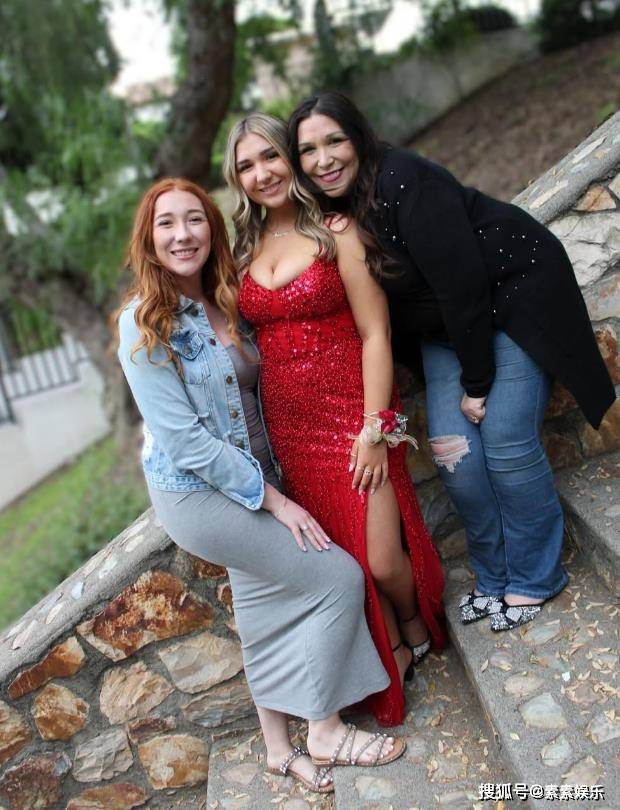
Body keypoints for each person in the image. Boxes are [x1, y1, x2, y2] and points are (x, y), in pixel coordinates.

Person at [116, 178, 409, 793]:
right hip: (200, 492)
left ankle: (277, 749)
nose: (182, 235)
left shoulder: (226, 299)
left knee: (260, 606)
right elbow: (186, 443)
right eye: (166, 224)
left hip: (254, 472)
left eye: (194, 219)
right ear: (148, 239)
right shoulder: (143, 325)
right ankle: (324, 729)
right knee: (336, 577)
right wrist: (274, 501)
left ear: (212, 229)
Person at [287, 92, 616, 632]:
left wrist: (477, 383)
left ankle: (535, 577)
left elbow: (463, 283)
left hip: (509, 301)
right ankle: (494, 576)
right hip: (445, 329)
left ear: (358, 138)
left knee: (506, 442)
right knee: (453, 455)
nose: (323, 160)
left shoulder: (405, 181)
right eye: (308, 150)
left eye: (334, 141)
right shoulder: (331, 213)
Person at [223, 113, 446, 728]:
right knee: (344, 558)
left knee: (382, 558)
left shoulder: (336, 231)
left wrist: (375, 429)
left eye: (271, 156)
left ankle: (412, 619)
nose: (262, 173)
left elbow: (376, 334)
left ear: (291, 159)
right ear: (237, 180)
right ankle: (392, 648)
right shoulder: (240, 254)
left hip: (354, 414)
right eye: (246, 166)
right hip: (290, 429)